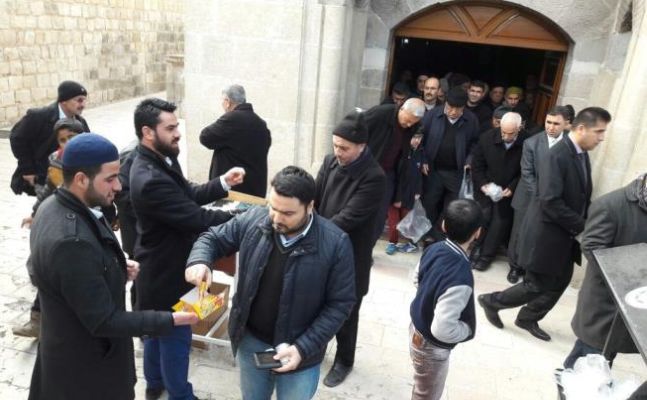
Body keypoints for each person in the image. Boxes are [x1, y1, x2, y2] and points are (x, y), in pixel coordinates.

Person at [27, 133, 198, 400]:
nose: (118, 186)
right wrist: (169, 320)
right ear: (82, 179)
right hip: (87, 374)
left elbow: (48, 272)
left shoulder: (54, 206)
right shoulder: (71, 241)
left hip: (68, 354)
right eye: (109, 179)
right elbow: (104, 321)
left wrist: (113, 266)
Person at [185, 166, 356, 400]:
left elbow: (340, 304)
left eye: (287, 213)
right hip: (251, 342)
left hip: (301, 353)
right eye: (273, 208)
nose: (276, 218)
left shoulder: (336, 244)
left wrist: (303, 348)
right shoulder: (255, 219)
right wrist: (199, 261)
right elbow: (212, 237)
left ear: (310, 206)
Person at [129, 98, 244, 400]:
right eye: (170, 128)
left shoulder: (163, 157)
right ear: (147, 132)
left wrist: (221, 183)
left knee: (155, 331)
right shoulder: (149, 178)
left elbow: (187, 193)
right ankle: (181, 395)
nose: (178, 132)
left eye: (177, 125)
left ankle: (154, 385)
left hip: (158, 267)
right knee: (175, 337)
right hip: (165, 271)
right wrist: (240, 219)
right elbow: (196, 218)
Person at [478, 107, 611, 342]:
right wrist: (583, 226)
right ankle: (492, 301)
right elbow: (549, 201)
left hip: (563, 235)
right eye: (599, 131)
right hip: (546, 234)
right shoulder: (557, 156)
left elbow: (580, 195)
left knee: (560, 279)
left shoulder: (581, 154)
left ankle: (528, 317)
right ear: (581, 129)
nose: (601, 137)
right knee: (535, 284)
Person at [313, 111, 386, 387]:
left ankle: (344, 361)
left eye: (344, 148)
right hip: (321, 246)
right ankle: (315, 349)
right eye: (335, 145)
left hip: (349, 255)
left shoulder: (374, 176)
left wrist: (313, 235)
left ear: (361, 147)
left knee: (346, 312)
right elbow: (315, 199)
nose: (337, 152)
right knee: (316, 304)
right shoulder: (330, 161)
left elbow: (348, 218)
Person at [12, 118, 87, 339]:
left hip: (83, 225)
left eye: (70, 138)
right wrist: (35, 213)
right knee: (46, 270)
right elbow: (49, 189)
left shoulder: (93, 160)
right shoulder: (55, 160)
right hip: (59, 221)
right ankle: (38, 319)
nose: (66, 144)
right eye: (62, 140)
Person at [563, 173, 647, 368]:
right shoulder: (610, 205)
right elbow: (593, 248)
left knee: (602, 362)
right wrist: (631, 277)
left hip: (633, 304)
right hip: (605, 304)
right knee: (587, 360)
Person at [409, 199, 483, 400]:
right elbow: (442, 329)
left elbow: (416, 277)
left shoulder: (434, 248)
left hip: (416, 329)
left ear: (443, 225)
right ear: (478, 232)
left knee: (420, 385)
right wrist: (466, 330)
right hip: (431, 348)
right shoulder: (460, 277)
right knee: (427, 395)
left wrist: (429, 295)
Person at [507, 106, 570, 283]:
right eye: (548, 122)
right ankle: (515, 266)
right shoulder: (532, 143)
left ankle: (531, 269)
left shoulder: (571, 145)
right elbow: (527, 173)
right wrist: (542, 198)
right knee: (519, 233)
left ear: (566, 124)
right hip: (528, 197)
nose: (551, 127)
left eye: (556, 123)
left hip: (556, 200)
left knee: (541, 236)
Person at [10, 80, 90, 196]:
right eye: (79, 100)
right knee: (45, 208)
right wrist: (27, 169)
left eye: (84, 100)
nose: (83, 104)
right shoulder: (38, 116)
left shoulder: (81, 123)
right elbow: (17, 138)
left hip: (68, 180)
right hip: (42, 178)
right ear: (63, 101)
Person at [470, 112, 528, 272]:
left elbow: (526, 171)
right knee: (482, 219)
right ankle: (475, 250)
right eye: (503, 132)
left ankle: (486, 256)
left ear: (519, 128)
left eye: (511, 133)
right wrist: (483, 184)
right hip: (486, 188)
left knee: (499, 224)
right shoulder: (487, 138)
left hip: (508, 191)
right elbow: (477, 165)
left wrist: (513, 187)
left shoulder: (527, 142)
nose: (506, 137)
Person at [421, 86, 479, 240]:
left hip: (456, 172)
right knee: (429, 203)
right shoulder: (433, 115)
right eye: (450, 107)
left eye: (457, 109)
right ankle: (426, 235)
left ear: (464, 108)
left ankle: (439, 235)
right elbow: (420, 139)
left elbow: (475, 144)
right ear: (445, 103)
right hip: (434, 169)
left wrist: (469, 161)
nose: (453, 112)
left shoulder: (471, 120)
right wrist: (424, 159)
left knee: (451, 207)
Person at [364, 98, 426, 242]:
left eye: (413, 122)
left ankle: (367, 251)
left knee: (379, 219)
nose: (409, 124)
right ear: (402, 108)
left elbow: (403, 156)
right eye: (408, 120)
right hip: (367, 170)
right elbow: (356, 132)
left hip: (388, 175)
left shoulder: (412, 127)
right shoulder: (381, 113)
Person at [200, 84, 272, 197]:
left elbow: (204, 137)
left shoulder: (231, 119)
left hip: (233, 192)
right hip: (255, 191)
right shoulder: (261, 124)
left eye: (222, 100)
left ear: (228, 101)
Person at [386, 129, 425, 255]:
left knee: (408, 221)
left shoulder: (421, 152)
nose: (417, 141)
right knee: (394, 223)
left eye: (419, 138)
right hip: (395, 195)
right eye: (414, 137)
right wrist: (397, 198)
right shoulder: (400, 152)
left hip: (410, 195)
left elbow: (419, 175)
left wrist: (418, 191)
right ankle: (392, 243)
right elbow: (396, 177)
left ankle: (412, 243)